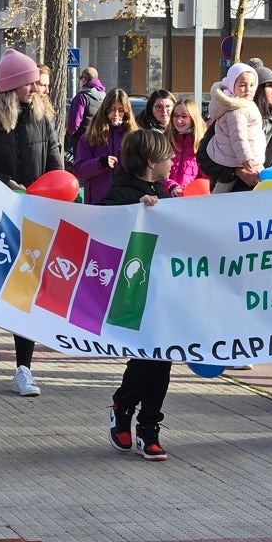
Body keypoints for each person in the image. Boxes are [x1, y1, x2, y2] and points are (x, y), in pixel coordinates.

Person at [0, 48, 62, 396]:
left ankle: (24, 367)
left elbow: (55, 164)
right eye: (30, 82)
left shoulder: (42, 118)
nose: (36, 88)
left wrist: (60, 194)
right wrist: (3, 180)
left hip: (32, 215)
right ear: (12, 86)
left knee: (26, 290)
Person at [104, 128, 176, 461]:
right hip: (132, 292)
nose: (173, 160)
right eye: (167, 156)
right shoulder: (119, 196)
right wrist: (137, 210)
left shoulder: (168, 197)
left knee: (160, 359)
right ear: (151, 162)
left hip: (163, 292)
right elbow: (101, 226)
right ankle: (125, 407)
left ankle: (148, 428)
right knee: (148, 357)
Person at [205, 62, 265, 192]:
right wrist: (246, 158)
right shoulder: (237, 110)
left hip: (243, 159)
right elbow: (239, 136)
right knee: (222, 193)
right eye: (242, 85)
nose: (248, 89)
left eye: (252, 85)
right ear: (233, 86)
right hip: (236, 160)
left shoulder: (245, 104)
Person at [74, 88, 136, 205]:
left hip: (126, 201)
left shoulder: (133, 136)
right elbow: (79, 170)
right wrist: (100, 163)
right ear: (105, 109)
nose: (116, 114)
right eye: (112, 109)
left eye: (121, 110)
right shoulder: (90, 136)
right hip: (98, 202)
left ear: (127, 112)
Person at [167, 97, 206, 190]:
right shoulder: (165, 140)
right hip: (166, 198)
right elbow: (157, 173)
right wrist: (171, 186)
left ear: (193, 118)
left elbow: (207, 177)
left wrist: (192, 189)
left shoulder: (203, 143)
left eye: (184, 116)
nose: (178, 120)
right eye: (175, 116)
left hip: (192, 199)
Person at [66, 67, 105, 155]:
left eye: (81, 78)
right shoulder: (104, 96)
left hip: (83, 139)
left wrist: (68, 135)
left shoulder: (81, 97)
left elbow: (75, 123)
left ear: (84, 79)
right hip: (100, 138)